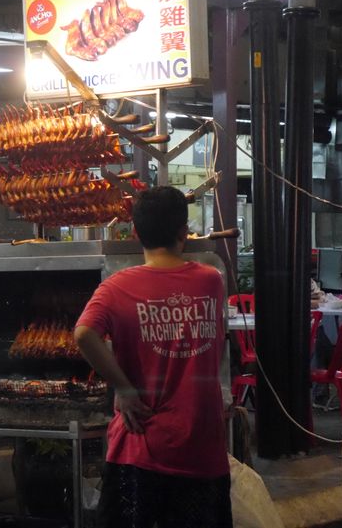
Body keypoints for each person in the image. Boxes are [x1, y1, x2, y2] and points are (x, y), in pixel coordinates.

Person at [74, 186, 232, 528]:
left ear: (134, 233)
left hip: (139, 447)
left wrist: (125, 389)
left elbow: (84, 334)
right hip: (202, 448)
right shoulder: (210, 281)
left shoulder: (116, 288)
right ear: (182, 231)